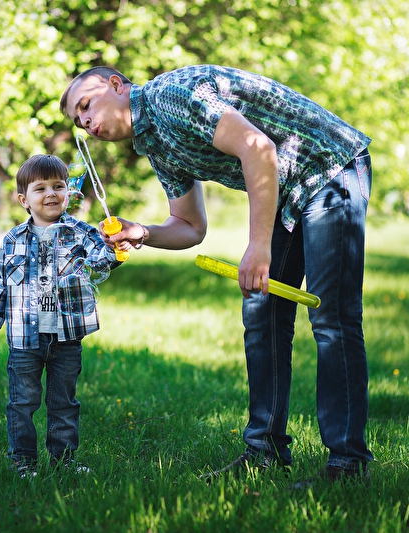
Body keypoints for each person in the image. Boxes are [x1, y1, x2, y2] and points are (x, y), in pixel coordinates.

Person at [60, 65, 374, 488]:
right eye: (78, 120)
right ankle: (263, 452)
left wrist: (258, 247)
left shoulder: (171, 96)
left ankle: (348, 464)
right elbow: (190, 226)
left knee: (332, 318)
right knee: (262, 314)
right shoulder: (155, 142)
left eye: (86, 105)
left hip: (329, 167)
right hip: (289, 188)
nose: (86, 122)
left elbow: (258, 148)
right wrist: (143, 233)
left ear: (116, 85)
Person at [0, 154, 120, 478]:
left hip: (66, 337)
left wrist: (117, 246)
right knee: (22, 403)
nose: (51, 194)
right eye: (40, 188)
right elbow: (2, 284)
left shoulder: (81, 232)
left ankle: (64, 461)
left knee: (64, 403)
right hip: (24, 339)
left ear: (69, 193)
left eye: (58, 186)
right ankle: (23, 462)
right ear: (24, 200)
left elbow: (102, 260)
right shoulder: (12, 239)